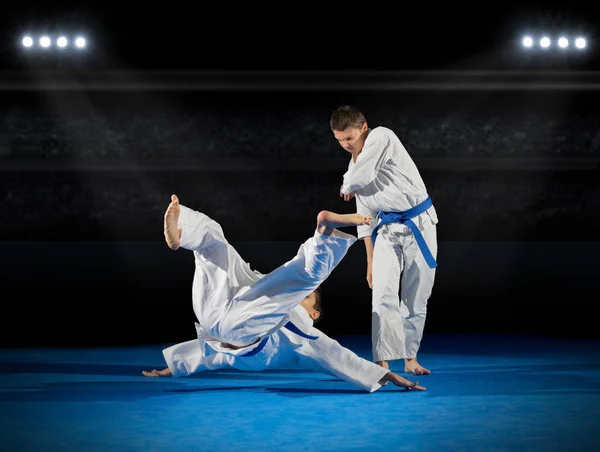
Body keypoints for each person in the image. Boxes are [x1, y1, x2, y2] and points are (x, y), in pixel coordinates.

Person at [141, 194, 425, 392]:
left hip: (236, 326)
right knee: (214, 241)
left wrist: (383, 374)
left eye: (308, 300)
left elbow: (337, 356)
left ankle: (323, 233)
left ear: (314, 314)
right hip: (216, 311)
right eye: (305, 296)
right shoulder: (271, 295)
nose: (302, 299)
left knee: (304, 277)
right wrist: (174, 366)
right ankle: (182, 233)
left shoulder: (302, 329)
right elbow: (214, 355)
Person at [330, 105, 438, 376]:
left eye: (349, 138)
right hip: (387, 231)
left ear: (364, 127)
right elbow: (364, 218)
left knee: (416, 297)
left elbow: (361, 178)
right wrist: (369, 259)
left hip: (419, 225)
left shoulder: (382, 136)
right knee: (381, 295)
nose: (345, 145)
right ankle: (382, 362)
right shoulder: (354, 165)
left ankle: (410, 358)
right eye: (339, 140)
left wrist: (346, 185)